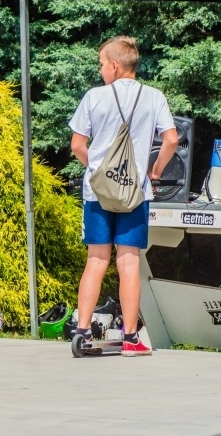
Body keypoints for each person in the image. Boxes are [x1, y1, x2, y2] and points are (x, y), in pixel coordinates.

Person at [69, 36, 178, 357]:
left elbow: (77, 145)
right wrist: (155, 170)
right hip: (135, 192)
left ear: (115, 66)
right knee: (128, 261)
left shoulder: (94, 96)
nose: (101, 70)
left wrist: (97, 170)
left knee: (96, 259)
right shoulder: (154, 96)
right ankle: (130, 338)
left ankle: (82, 332)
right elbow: (171, 139)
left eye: (102, 64)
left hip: (97, 192)